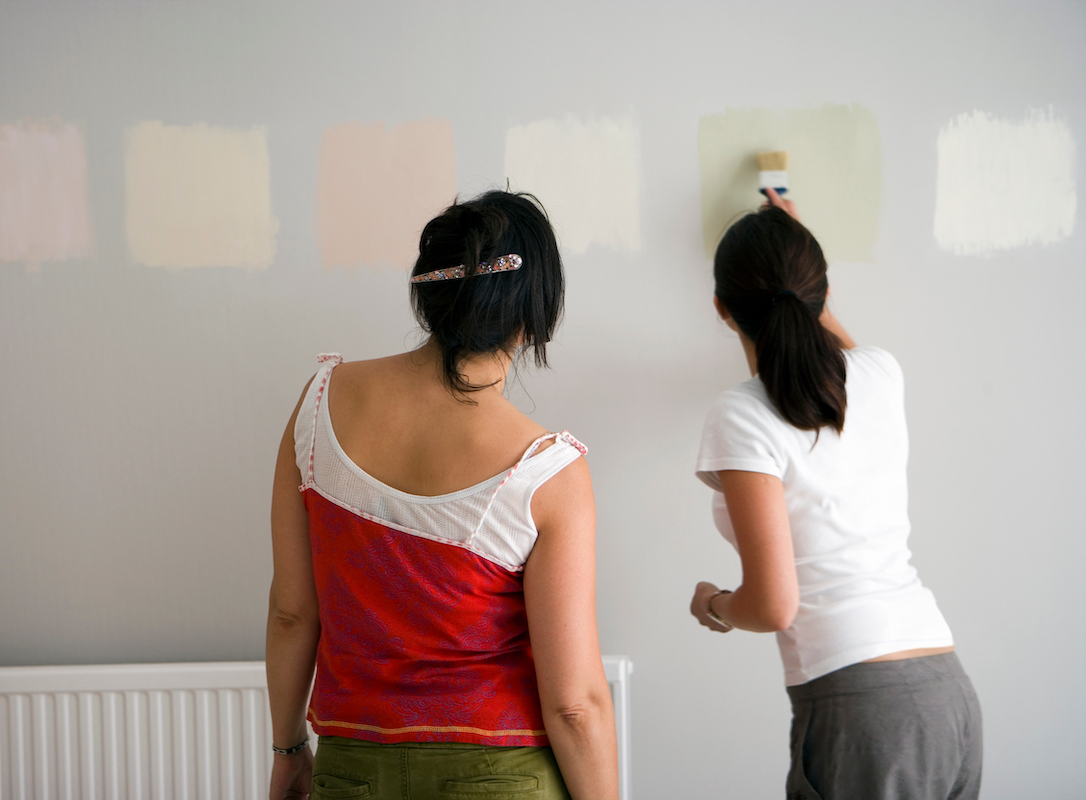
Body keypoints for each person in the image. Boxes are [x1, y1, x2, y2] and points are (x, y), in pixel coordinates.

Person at [266, 190, 619, 800]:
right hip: (501, 776)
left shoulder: (320, 404)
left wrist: (288, 751)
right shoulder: (546, 471)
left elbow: (292, 613)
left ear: (428, 293)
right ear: (533, 310)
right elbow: (574, 706)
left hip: (352, 769)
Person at [690, 189, 983, 799]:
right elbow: (822, 331)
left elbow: (774, 607)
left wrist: (713, 604)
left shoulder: (741, 416)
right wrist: (801, 261)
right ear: (822, 291)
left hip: (862, 709)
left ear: (721, 308)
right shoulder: (880, 372)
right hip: (947, 690)